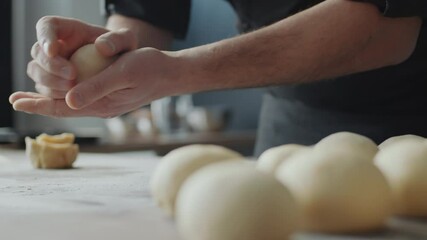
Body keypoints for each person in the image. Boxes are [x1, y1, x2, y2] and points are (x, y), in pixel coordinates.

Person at [9, 0, 427, 156]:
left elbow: (386, 31)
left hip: (410, 125)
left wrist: (177, 72)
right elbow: (142, 16)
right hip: (290, 124)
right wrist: (104, 63)